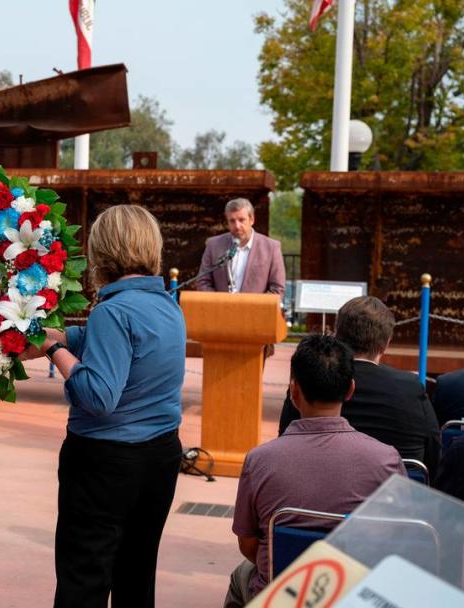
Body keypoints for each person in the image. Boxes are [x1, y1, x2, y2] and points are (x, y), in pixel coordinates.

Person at [37, 204, 185, 608]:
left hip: (105, 461)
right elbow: (125, 351)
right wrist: (68, 336)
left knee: (83, 577)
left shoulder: (112, 311)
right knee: (136, 576)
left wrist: (53, 349)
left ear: (103, 251)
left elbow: (98, 395)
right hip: (159, 456)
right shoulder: (168, 306)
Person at [224, 335, 406, 607]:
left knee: (242, 575)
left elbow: (248, 544)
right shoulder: (386, 460)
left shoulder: (260, 460)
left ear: (294, 391)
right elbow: (399, 539)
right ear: (350, 390)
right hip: (355, 595)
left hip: (282, 595)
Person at [278, 296, 441, 476]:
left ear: (337, 335)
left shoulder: (310, 379)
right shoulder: (410, 388)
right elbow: (433, 450)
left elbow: (285, 441)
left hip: (314, 487)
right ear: (386, 344)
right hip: (395, 494)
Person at [196, 197, 285, 296]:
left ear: (252, 219)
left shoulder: (271, 248)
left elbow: (277, 289)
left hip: (255, 310)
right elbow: (202, 282)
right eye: (232, 221)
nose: (237, 226)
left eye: (241, 220)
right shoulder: (213, 245)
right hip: (220, 309)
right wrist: (219, 303)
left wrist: (251, 308)